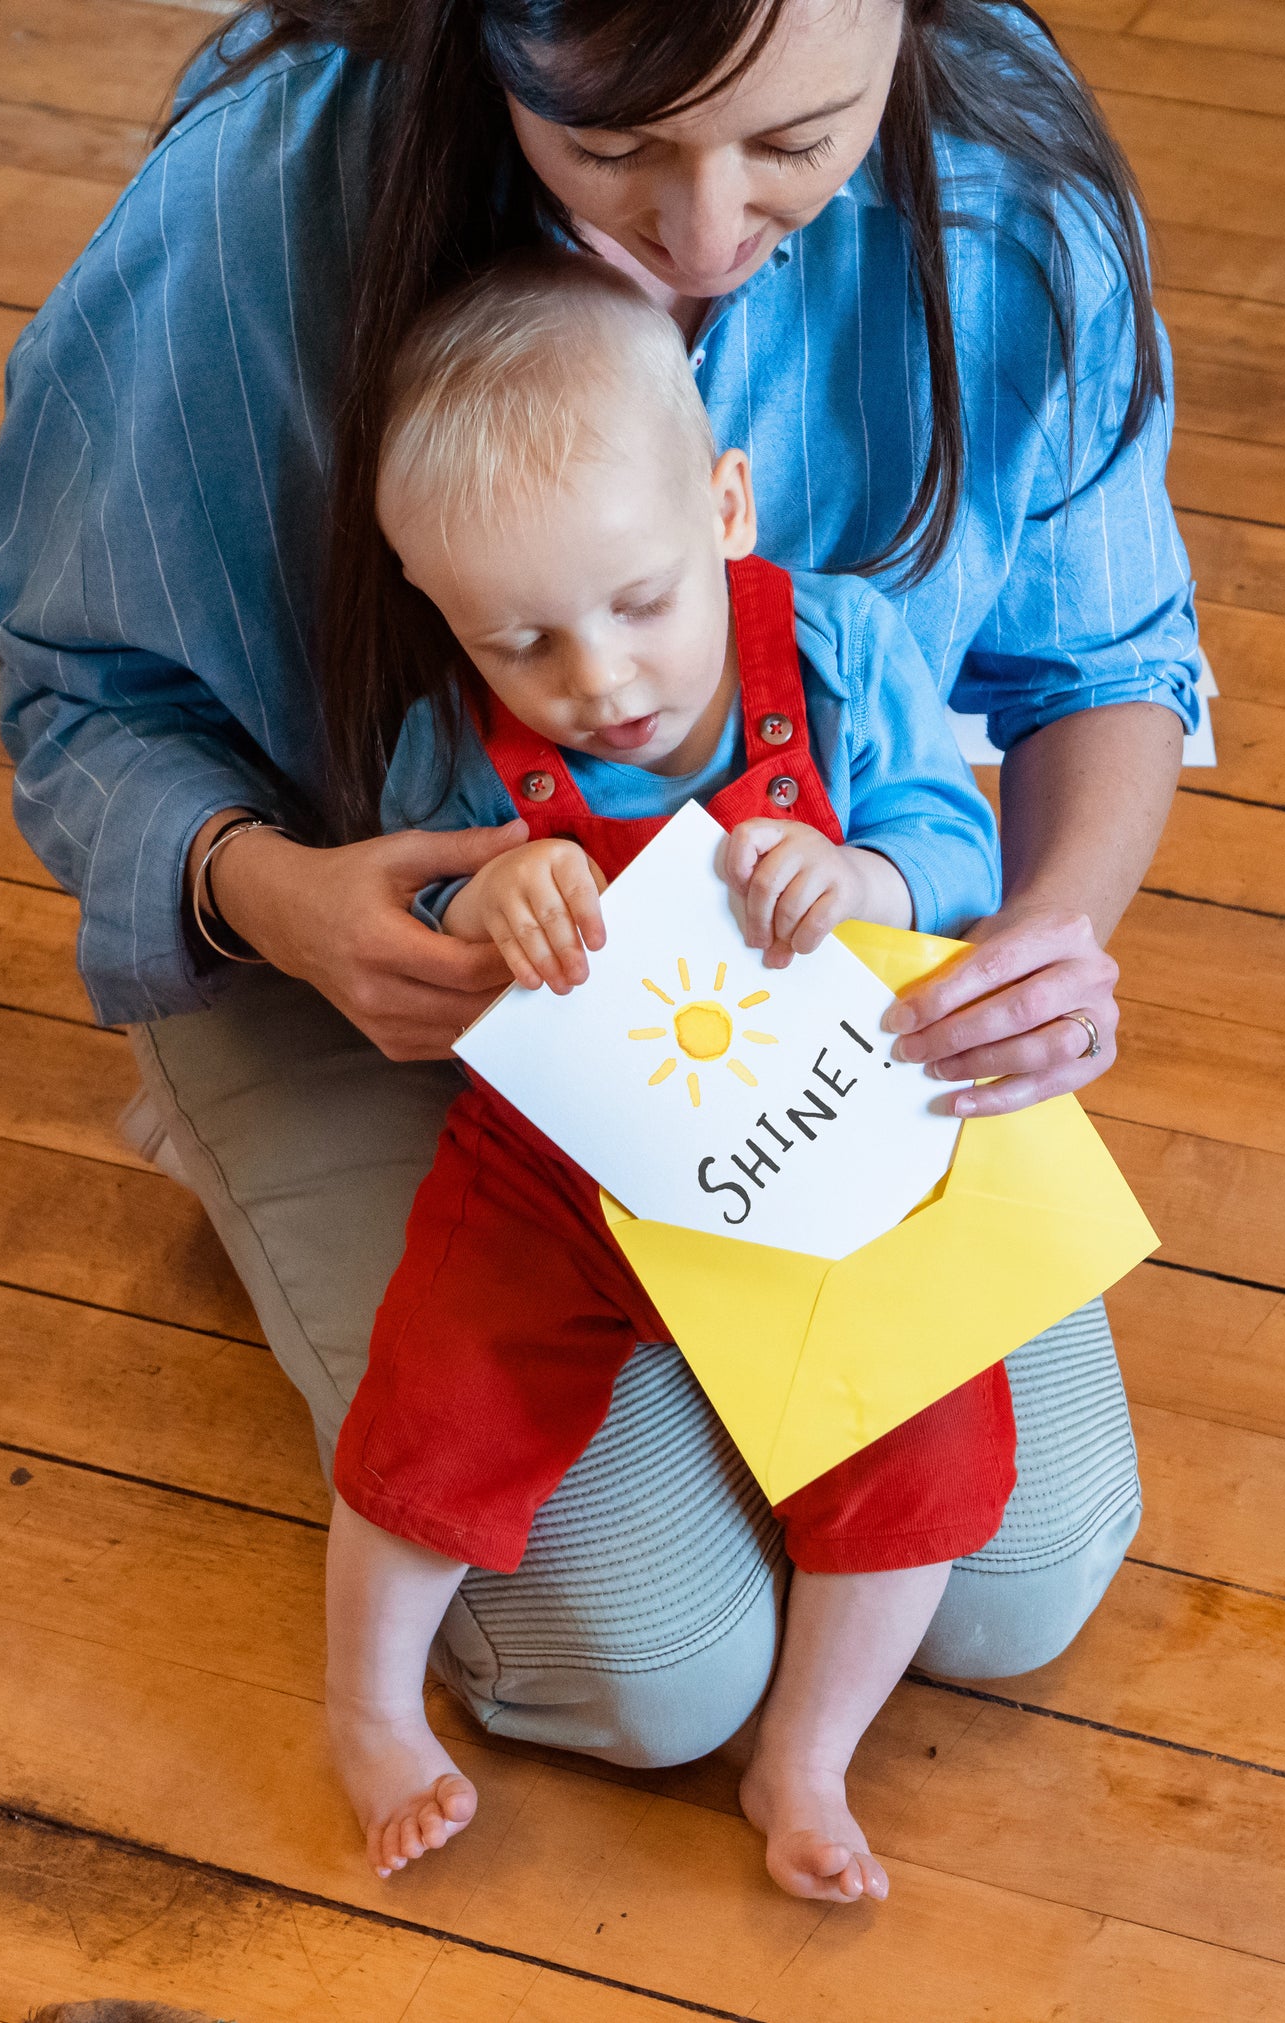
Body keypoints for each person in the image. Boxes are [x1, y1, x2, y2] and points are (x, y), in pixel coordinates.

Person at [0, 0, 1199, 1768]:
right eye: (612, 143)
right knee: (655, 1667)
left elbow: (1104, 659)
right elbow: (85, 695)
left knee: (1014, 1576)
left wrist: (1036, 928)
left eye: (796, 143)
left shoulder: (1008, 179)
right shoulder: (253, 196)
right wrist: (270, 898)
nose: (700, 237)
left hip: (803, 1029)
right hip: (390, 988)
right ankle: (227, 1127)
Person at [326, 250, 1015, 1901]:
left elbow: (956, 843)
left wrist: (862, 878)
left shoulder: (833, 649)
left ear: (724, 505)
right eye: (522, 641)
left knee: (925, 1433)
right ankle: (366, 1711)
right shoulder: (460, 731)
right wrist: (485, 899)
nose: (599, 682)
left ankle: (807, 1755)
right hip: (556, 1169)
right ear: (442, 611)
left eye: (639, 605)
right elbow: (418, 895)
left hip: (819, 1139)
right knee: (435, 1403)